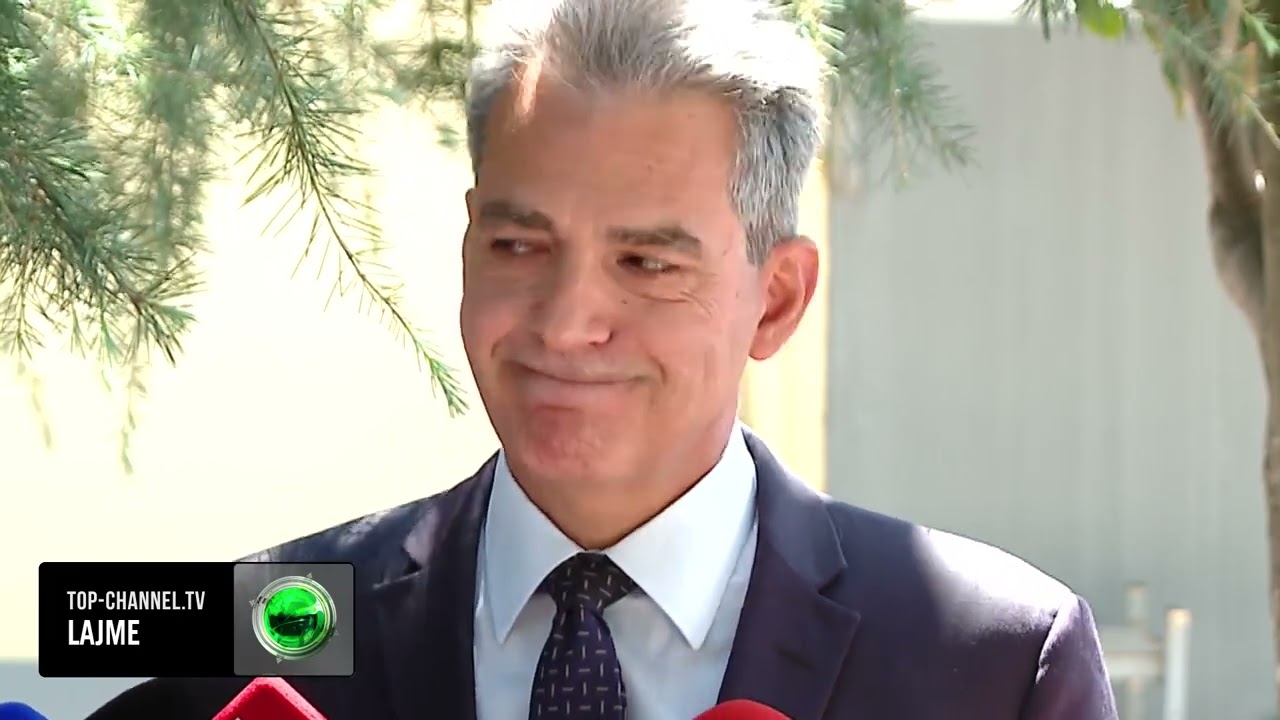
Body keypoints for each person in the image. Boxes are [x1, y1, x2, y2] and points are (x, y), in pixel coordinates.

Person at [90, 0, 1118, 718]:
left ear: (775, 298)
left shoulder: (994, 663)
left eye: (646, 263)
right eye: (518, 246)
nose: (566, 322)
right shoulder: (251, 626)